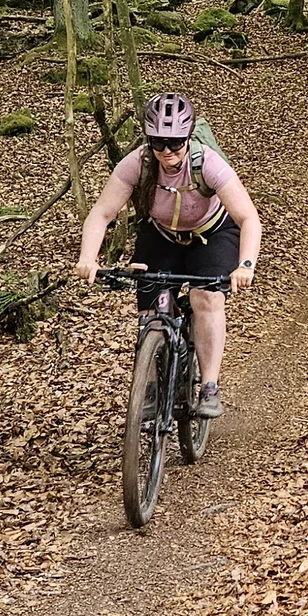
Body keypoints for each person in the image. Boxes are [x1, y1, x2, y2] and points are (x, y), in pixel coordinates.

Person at [75, 90, 261, 417]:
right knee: (151, 311)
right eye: (158, 142)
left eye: (175, 142)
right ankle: (148, 385)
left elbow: (248, 218)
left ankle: (209, 387)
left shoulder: (208, 164)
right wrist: (88, 258)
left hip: (212, 234)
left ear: (187, 138)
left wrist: (245, 264)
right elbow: (101, 213)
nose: (166, 151)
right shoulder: (138, 163)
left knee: (207, 298)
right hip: (161, 234)